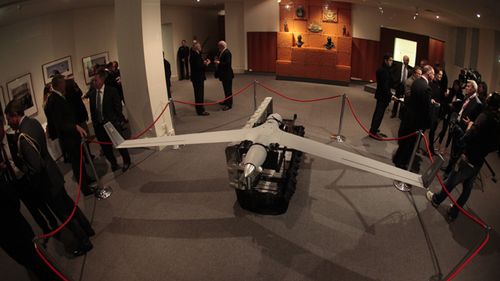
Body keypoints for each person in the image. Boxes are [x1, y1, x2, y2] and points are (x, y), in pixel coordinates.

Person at [5, 99, 95, 257]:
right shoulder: (33, 122)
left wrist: (25, 170)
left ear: (14, 116)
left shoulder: (23, 136)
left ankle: (84, 241)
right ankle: (88, 229)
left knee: (64, 214)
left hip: (47, 183)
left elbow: (36, 166)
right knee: (69, 205)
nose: (8, 123)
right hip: (54, 174)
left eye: (8, 119)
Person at [427, 92, 500, 221]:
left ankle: (436, 199)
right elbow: (495, 145)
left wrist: (468, 129)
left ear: (489, 102)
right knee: (467, 188)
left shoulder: (484, 116)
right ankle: (454, 212)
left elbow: (471, 134)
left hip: (468, 156)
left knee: (451, 180)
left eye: (488, 97)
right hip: (479, 160)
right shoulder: (497, 120)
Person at [44, 75, 94, 196]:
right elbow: (60, 124)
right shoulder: (55, 100)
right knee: (76, 164)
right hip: (69, 139)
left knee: (80, 159)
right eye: (64, 83)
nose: (65, 85)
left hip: (73, 137)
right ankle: (85, 188)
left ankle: (86, 179)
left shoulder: (58, 97)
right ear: (60, 85)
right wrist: (75, 126)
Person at [392, 65, 434, 173]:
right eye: (433, 74)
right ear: (429, 74)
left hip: (409, 116)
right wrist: (428, 123)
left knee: (405, 140)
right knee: (411, 143)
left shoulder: (416, 82)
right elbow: (426, 108)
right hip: (417, 120)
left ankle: (398, 159)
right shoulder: (426, 88)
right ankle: (403, 163)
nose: (434, 76)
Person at [89, 69, 131, 172]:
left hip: (112, 124)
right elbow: (93, 112)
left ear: (102, 80)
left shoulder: (111, 91)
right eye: (93, 80)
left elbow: (118, 107)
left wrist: (116, 121)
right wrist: (95, 125)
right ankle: (113, 163)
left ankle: (126, 161)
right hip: (99, 126)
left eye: (96, 80)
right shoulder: (92, 94)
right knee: (106, 148)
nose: (94, 82)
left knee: (119, 144)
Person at [442, 80, 483, 177]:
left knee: (457, 153)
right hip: (457, 126)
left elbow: (476, 121)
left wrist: (470, 123)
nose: (466, 88)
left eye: (468, 86)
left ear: (473, 89)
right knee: (453, 150)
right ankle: (448, 168)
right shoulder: (466, 97)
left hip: (464, 131)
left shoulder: (477, 103)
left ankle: (450, 173)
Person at [369, 53, 394, 139]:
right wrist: (391, 95)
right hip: (383, 96)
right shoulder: (383, 71)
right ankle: (373, 132)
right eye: (390, 60)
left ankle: (374, 129)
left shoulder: (384, 70)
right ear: (385, 60)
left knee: (378, 114)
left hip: (382, 95)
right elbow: (384, 86)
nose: (391, 62)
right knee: (378, 114)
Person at [437, 79, 463, 152]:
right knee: (443, 129)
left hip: (453, 116)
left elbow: (460, 107)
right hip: (447, 113)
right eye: (454, 85)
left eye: (457, 85)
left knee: (450, 132)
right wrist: (448, 104)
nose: (455, 87)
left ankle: (445, 148)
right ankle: (438, 145)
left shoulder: (461, 95)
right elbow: (445, 101)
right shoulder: (450, 91)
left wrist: (454, 106)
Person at [189, 42, 210, 116]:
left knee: (199, 93)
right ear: (196, 47)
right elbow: (198, 67)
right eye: (199, 46)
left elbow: (198, 64)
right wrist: (206, 64)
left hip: (197, 77)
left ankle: (200, 108)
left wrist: (203, 62)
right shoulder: (195, 55)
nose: (201, 47)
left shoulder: (196, 54)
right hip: (197, 77)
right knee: (199, 94)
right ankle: (200, 110)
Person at [214, 40, 235, 111]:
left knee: (228, 90)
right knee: (225, 89)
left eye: (218, 46)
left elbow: (228, 63)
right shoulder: (222, 52)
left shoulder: (227, 52)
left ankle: (229, 105)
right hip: (224, 74)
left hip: (227, 74)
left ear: (222, 46)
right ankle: (226, 101)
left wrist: (219, 62)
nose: (218, 47)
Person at [428, 69, 443, 154]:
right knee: (423, 129)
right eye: (439, 74)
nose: (440, 76)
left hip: (436, 110)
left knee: (433, 130)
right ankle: (416, 145)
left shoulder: (439, 85)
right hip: (430, 109)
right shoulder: (431, 83)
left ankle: (431, 148)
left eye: (442, 75)